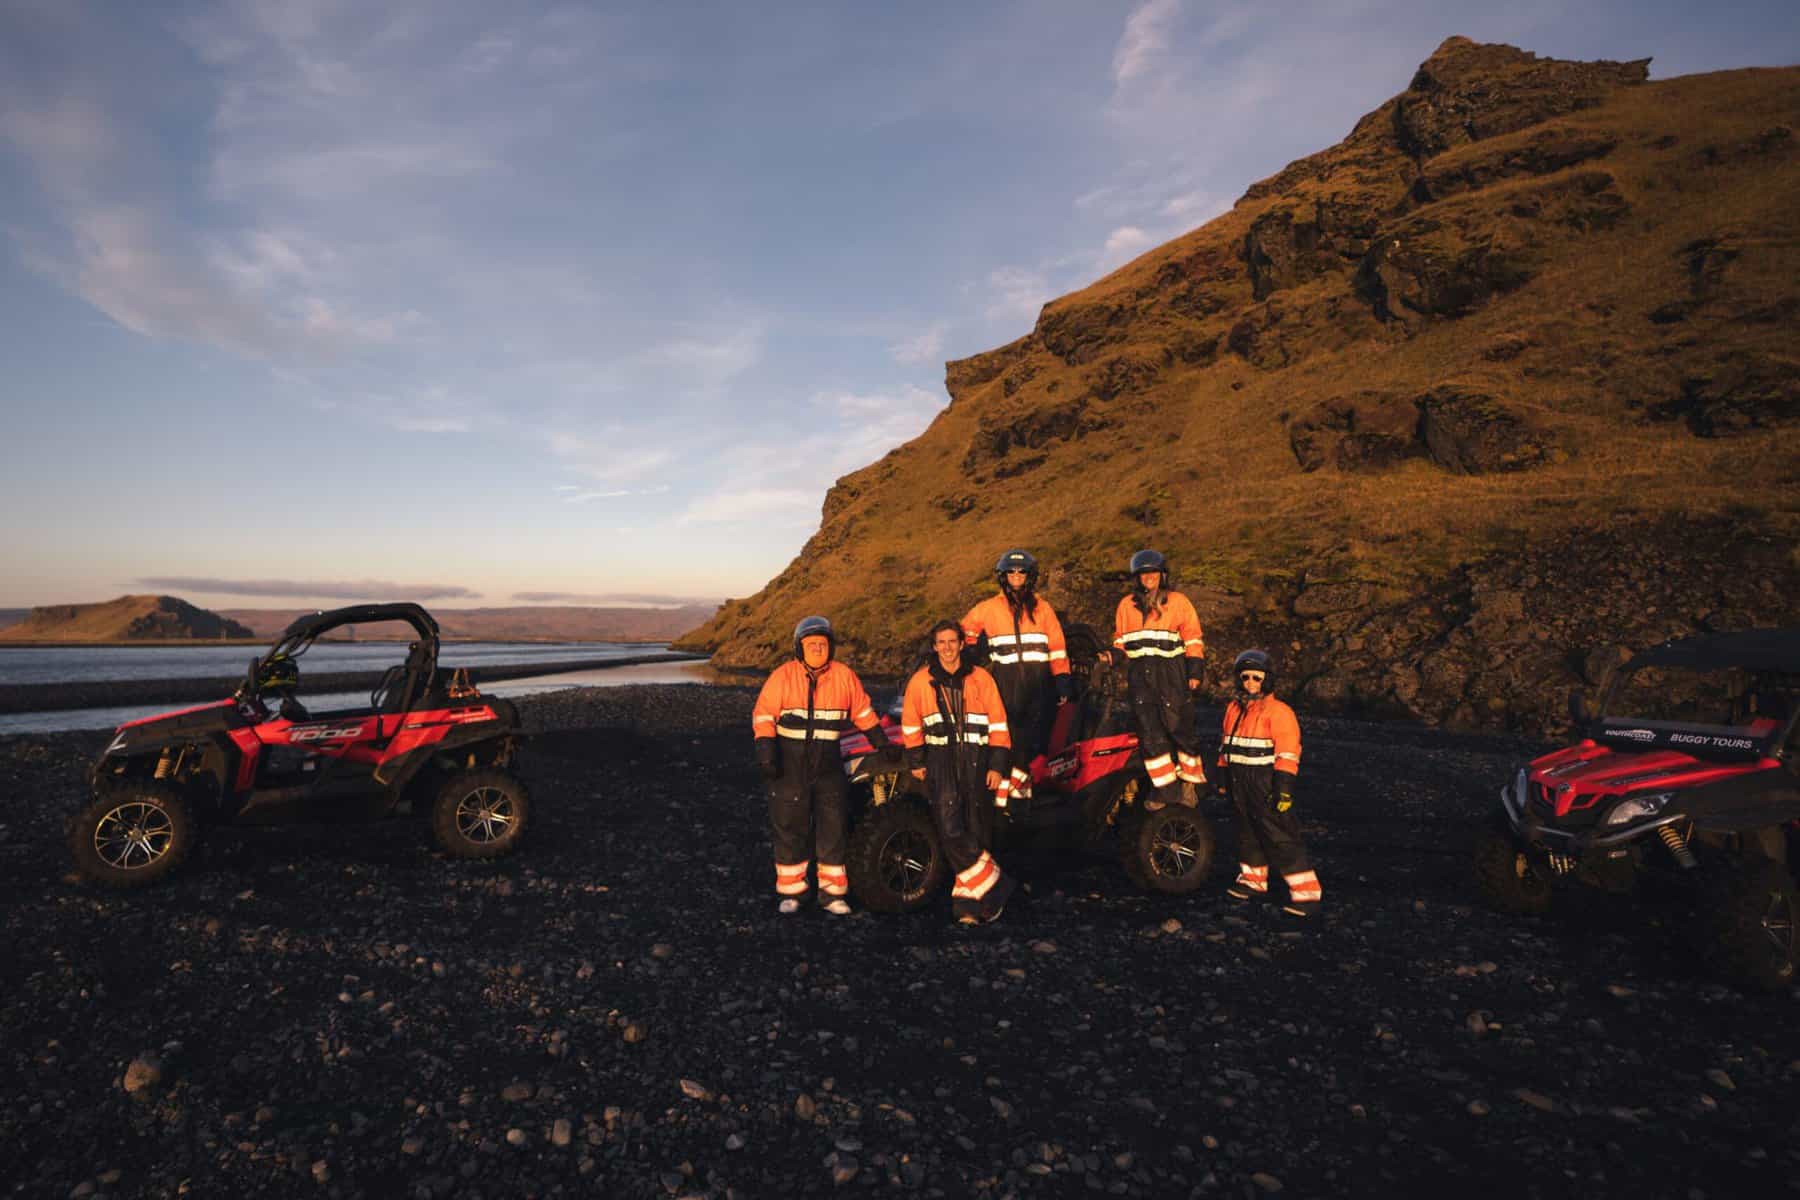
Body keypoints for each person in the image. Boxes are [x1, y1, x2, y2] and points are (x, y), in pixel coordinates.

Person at [751, 616, 891, 916]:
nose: (817, 648)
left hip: (829, 763)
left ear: (831, 647)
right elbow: (763, 714)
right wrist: (765, 749)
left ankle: (832, 894)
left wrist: (882, 743)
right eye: (811, 644)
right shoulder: (782, 676)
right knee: (790, 826)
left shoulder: (844, 676)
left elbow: (863, 712)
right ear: (799, 648)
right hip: (789, 762)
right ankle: (793, 892)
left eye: (822, 644)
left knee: (833, 827)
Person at [902, 620, 1017, 924]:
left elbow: (999, 724)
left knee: (976, 827)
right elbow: (911, 725)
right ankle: (997, 884)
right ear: (934, 646)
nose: (947, 648)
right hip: (941, 761)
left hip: (977, 761)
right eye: (941, 642)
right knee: (950, 828)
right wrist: (917, 761)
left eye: (952, 641)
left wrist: (997, 765)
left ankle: (969, 906)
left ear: (961, 644)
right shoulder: (920, 682)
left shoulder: (981, 678)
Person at [960, 549, 1071, 807]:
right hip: (1005, 685)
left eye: (1022, 572)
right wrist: (971, 652)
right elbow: (962, 632)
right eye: (1012, 571)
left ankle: (1021, 803)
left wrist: (1062, 678)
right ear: (1003, 576)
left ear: (1030, 576)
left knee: (1035, 747)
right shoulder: (988, 608)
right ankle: (1002, 807)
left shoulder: (1043, 609)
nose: (1017, 576)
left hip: (1040, 684)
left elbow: (1057, 647)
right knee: (1008, 743)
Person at [1217, 649, 1320, 917]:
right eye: (1245, 677)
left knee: (1279, 835)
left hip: (1264, 782)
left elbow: (1288, 752)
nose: (1250, 683)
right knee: (1246, 833)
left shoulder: (1279, 712)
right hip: (1239, 781)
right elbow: (1225, 745)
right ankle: (1253, 881)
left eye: (1257, 678)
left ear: (1267, 680)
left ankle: (1306, 895)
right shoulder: (1233, 709)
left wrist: (1283, 788)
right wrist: (1222, 777)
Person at [1112, 549, 1207, 809]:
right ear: (1137, 578)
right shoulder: (1126, 606)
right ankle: (1165, 788)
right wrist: (1109, 657)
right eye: (1143, 574)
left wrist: (1195, 671)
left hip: (1172, 673)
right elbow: (1120, 643)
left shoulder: (1178, 602)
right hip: (1140, 676)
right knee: (1149, 733)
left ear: (1162, 575)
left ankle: (1190, 784)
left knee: (1179, 728)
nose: (1149, 578)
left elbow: (1193, 638)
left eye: (1153, 572)